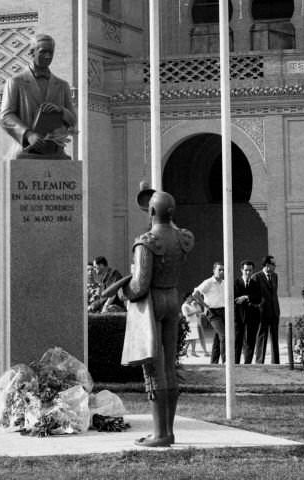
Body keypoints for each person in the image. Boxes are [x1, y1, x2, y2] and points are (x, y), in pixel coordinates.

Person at [117, 185, 194, 448]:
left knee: (153, 368)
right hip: (173, 297)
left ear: (151, 211)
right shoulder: (183, 238)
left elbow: (140, 285)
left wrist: (123, 292)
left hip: (153, 303)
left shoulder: (146, 242)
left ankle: (160, 434)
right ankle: (169, 431)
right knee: (170, 367)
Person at [0, 34, 76, 159]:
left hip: (55, 152)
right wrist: (28, 134)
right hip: (26, 152)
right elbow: (6, 117)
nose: (48, 56)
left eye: (51, 52)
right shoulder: (16, 82)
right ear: (31, 53)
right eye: (43, 52)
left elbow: (73, 119)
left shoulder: (62, 85)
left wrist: (61, 111)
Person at [193, 262, 227, 363]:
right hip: (212, 312)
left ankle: (214, 362)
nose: (222, 272)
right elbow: (195, 293)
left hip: (223, 311)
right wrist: (204, 305)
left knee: (218, 338)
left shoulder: (225, 282)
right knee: (224, 336)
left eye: (223, 270)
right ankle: (226, 361)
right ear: (214, 271)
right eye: (219, 270)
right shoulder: (208, 282)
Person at [252, 255, 281, 364]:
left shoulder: (275, 276)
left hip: (274, 311)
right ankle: (260, 361)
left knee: (275, 337)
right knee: (262, 337)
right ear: (267, 265)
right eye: (273, 264)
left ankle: (276, 361)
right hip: (262, 312)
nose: (275, 267)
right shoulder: (256, 277)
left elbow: (274, 294)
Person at [233, 260, 261, 364]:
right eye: (246, 270)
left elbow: (258, 298)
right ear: (241, 270)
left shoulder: (256, 283)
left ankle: (247, 363)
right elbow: (234, 298)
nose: (248, 272)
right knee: (237, 339)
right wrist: (247, 298)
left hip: (252, 315)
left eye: (250, 270)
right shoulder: (236, 283)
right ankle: (235, 362)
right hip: (238, 315)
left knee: (250, 340)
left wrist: (245, 297)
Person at [180, 292, 208, 358]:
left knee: (193, 338)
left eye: (191, 297)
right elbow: (187, 315)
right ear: (186, 298)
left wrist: (197, 313)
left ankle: (192, 351)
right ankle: (185, 350)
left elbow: (197, 312)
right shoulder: (184, 306)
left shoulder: (191, 305)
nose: (191, 298)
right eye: (189, 297)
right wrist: (195, 312)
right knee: (189, 339)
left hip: (194, 323)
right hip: (189, 323)